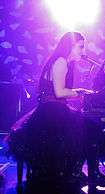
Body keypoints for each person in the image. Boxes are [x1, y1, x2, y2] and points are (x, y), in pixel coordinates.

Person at [7, 32, 93, 189]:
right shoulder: (61, 61)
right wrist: (80, 93)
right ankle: (75, 174)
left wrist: (76, 90)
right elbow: (60, 93)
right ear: (70, 47)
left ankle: (71, 173)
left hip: (51, 108)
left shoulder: (62, 61)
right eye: (80, 47)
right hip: (53, 111)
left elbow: (57, 90)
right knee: (89, 128)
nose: (83, 51)